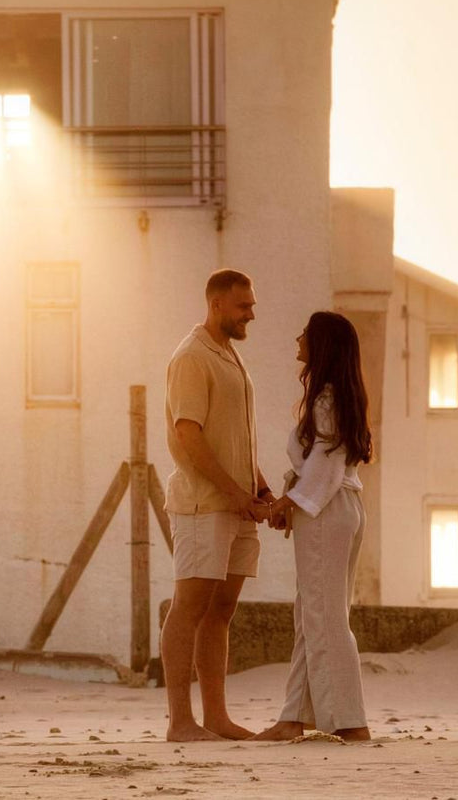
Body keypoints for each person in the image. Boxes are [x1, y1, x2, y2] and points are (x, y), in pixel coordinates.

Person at [159, 269, 275, 741]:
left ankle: (216, 718)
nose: (252, 312)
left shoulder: (231, 356)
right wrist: (232, 493)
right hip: (202, 505)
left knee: (222, 610)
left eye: (251, 304)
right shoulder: (191, 357)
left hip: (235, 504)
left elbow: (235, 438)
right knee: (190, 605)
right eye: (243, 305)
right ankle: (180, 723)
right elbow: (189, 435)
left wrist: (260, 488)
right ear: (216, 306)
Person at [252, 311, 373, 742]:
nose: (297, 337)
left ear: (320, 345)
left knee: (323, 617)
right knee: (313, 614)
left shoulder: (327, 398)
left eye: (305, 333)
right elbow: (327, 463)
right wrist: (295, 500)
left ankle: (351, 722)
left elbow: (326, 462)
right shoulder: (337, 396)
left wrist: (290, 500)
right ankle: (292, 717)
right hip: (340, 508)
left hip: (327, 510)